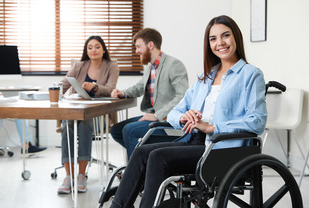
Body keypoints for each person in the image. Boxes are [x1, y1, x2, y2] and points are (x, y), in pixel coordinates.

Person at [109, 15, 268, 208]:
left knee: (158, 157)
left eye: (225, 35)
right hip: (196, 142)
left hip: (223, 150)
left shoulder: (251, 75)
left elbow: (257, 121)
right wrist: (184, 116)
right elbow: (176, 111)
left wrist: (212, 127)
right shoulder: (206, 77)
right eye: (213, 39)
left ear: (236, 37)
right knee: (143, 152)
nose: (220, 43)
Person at [110, 28, 189, 159]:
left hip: (167, 120)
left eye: (138, 46)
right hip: (152, 116)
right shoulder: (150, 67)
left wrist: (158, 116)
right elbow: (139, 87)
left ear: (150, 45)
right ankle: (143, 161)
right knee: (116, 130)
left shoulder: (174, 65)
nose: (136, 51)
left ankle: (136, 176)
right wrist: (122, 93)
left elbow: (182, 97)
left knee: (129, 131)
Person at [58, 35, 119, 194]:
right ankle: (68, 176)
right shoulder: (79, 65)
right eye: (90, 47)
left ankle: (81, 175)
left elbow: (111, 89)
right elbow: (64, 84)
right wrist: (66, 93)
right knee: (67, 124)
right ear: (86, 50)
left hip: (100, 116)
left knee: (85, 122)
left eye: (97, 46)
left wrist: (94, 87)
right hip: (76, 111)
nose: (93, 50)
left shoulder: (111, 66)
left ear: (103, 49)